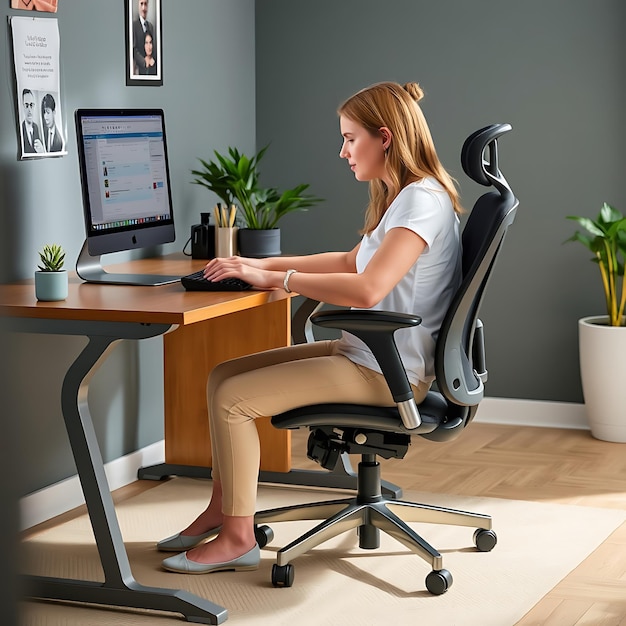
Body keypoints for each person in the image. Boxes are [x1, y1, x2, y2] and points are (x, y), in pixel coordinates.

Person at [159, 81, 464, 574]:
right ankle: (225, 507)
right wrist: (255, 264)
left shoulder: (420, 203)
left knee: (235, 400)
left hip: (388, 373)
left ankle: (238, 538)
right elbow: (350, 260)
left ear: (384, 137)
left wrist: (280, 279)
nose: (342, 151)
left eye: (349, 138)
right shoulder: (407, 197)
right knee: (221, 377)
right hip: (365, 357)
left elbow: (367, 290)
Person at [132, 0, 155, 74]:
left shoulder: (150, 26)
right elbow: (133, 49)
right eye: (141, 4)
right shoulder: (134, 26)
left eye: (145, 4)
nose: (143, 8)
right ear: (138, 5)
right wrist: (144, 62)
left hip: (150, 68)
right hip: (138, 68)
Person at [21, 89, 43, 154]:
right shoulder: (21, 128)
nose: (29, 110)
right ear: (23, 107)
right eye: (26, 105)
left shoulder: (36, 127)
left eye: (31, 105)